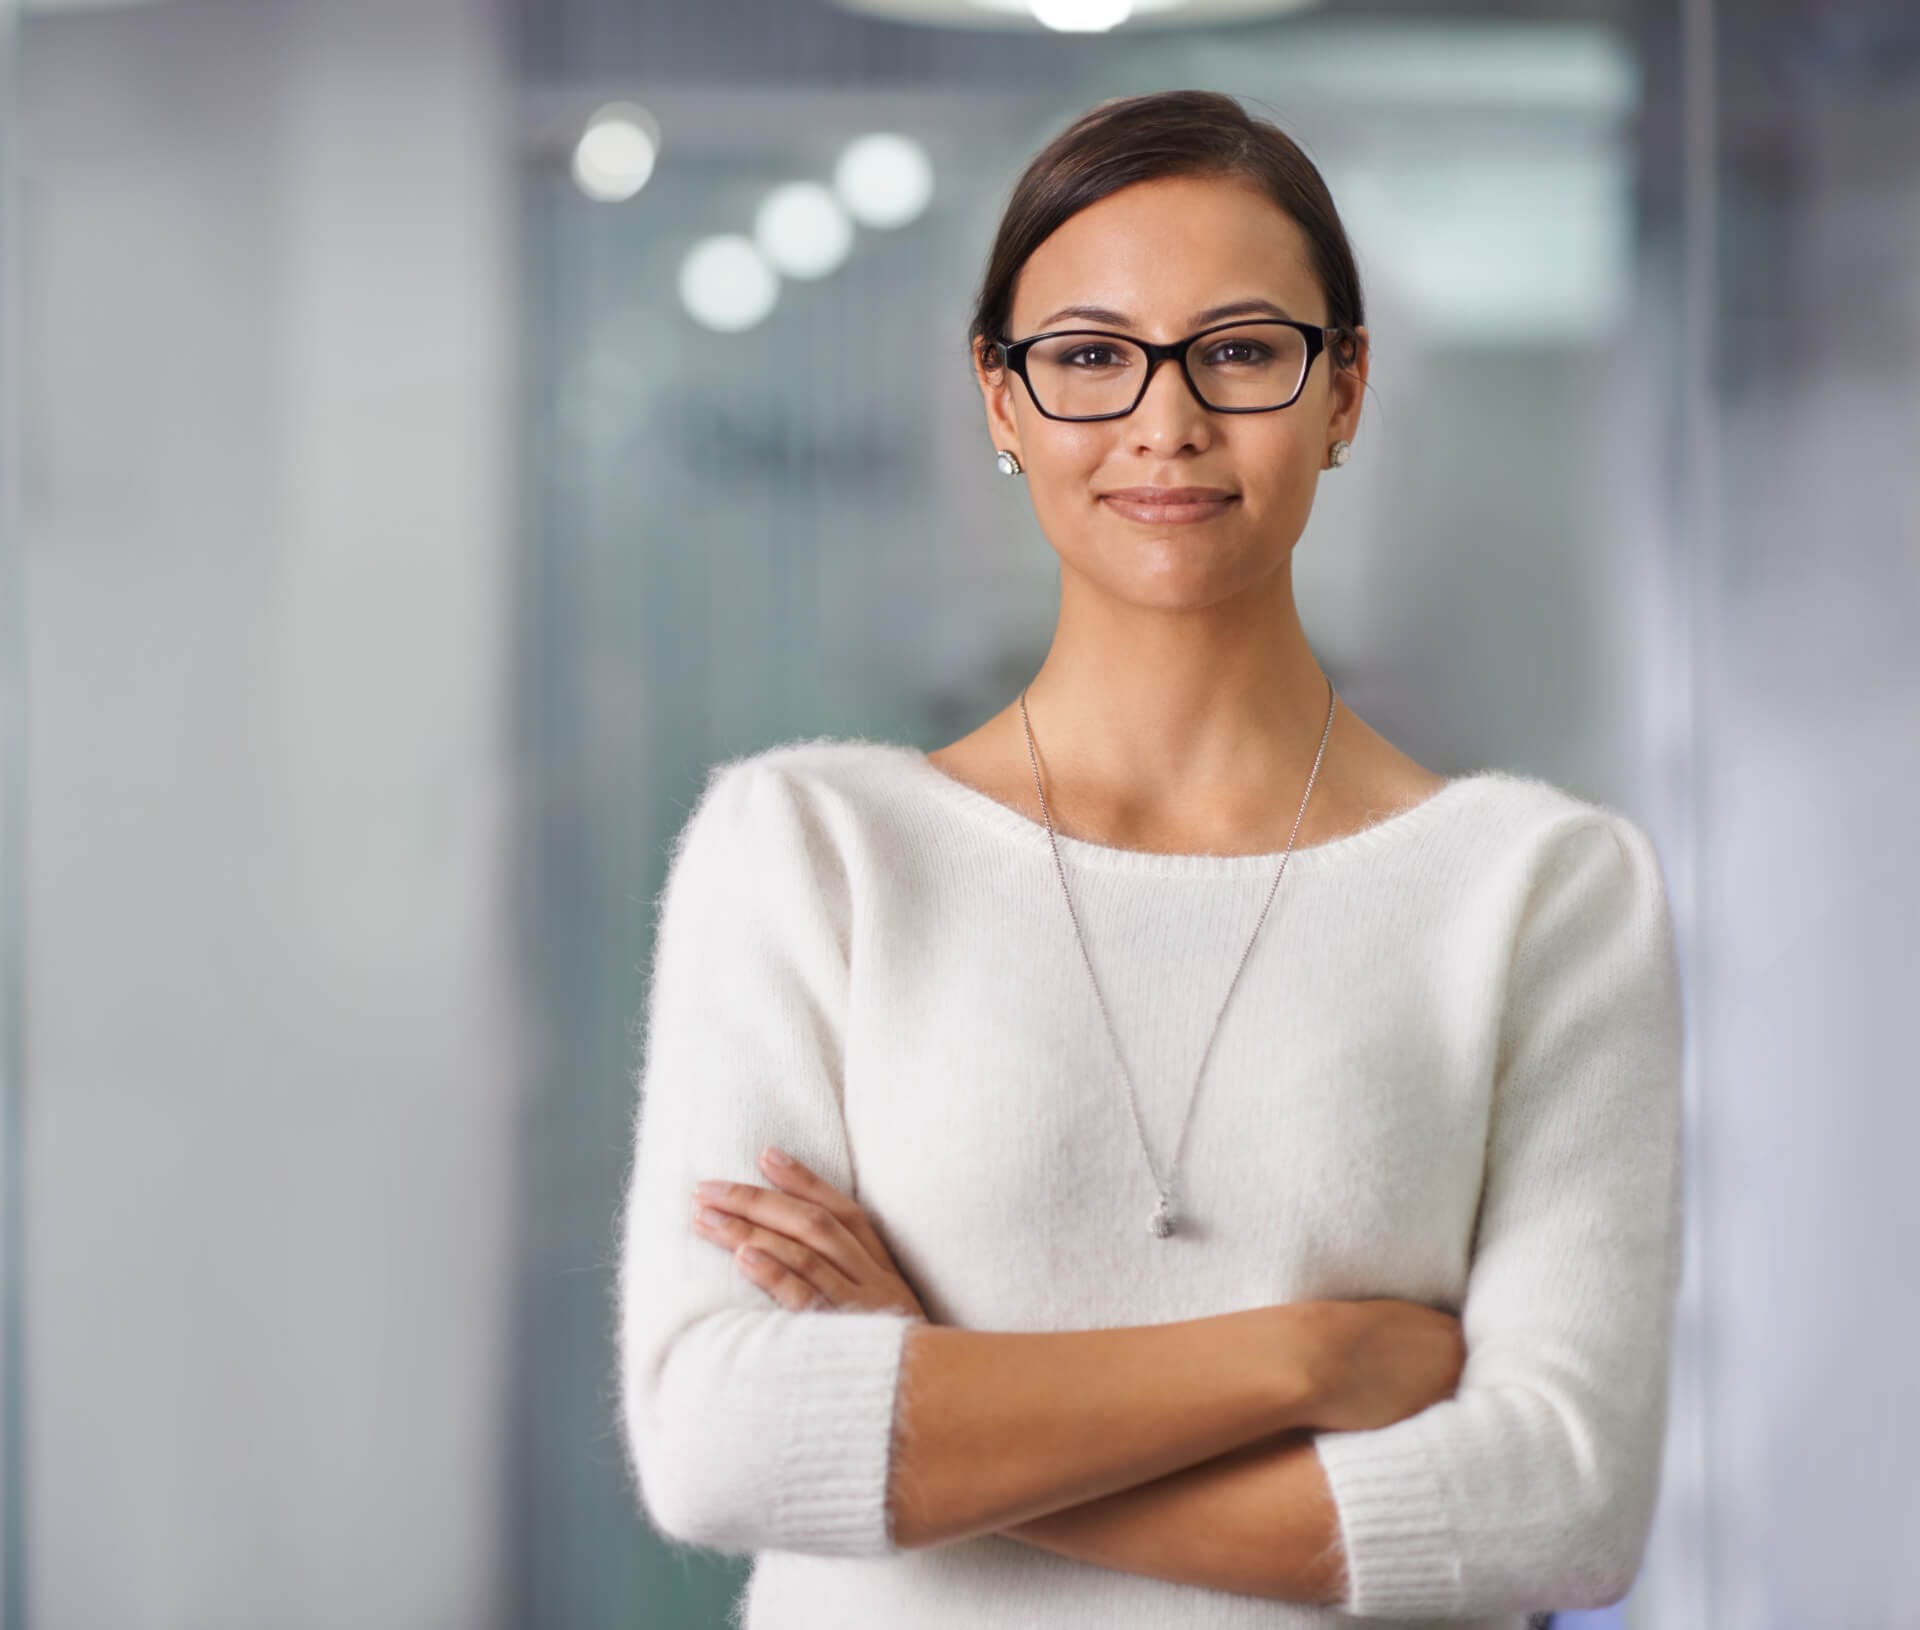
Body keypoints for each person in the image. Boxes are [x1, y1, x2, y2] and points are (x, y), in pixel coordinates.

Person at [615, 88, 1685, 1630]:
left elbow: (1561, 1507)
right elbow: (719, 1440)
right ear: (999, 399)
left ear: (1346, 389)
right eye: (1089, 357)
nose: (1164, 422)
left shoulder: (1539, 890)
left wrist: (932, 1405)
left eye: (1242, 350)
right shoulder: (810, 852)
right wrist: (1302, 1361)